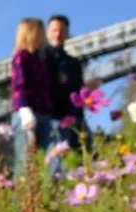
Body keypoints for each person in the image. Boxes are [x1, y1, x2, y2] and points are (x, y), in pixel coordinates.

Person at [11, 18, 55, 176]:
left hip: (44, 113)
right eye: (41, 32)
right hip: (27, 114)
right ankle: (21, 191)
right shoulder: (21, 57)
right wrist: (24, 109)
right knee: (25, 161)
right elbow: (19, 84)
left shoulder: (40, 59)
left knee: (51, 158)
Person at [46, 14, 92, 155]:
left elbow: (78, 92)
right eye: (54, 30)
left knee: (82, 154)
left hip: (71, 119)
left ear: (67, 34)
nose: (58, 34)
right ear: (47, 32)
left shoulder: (73, 63)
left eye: (62, 31)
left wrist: (78, 119)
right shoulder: (40, 59)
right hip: (49, 119)